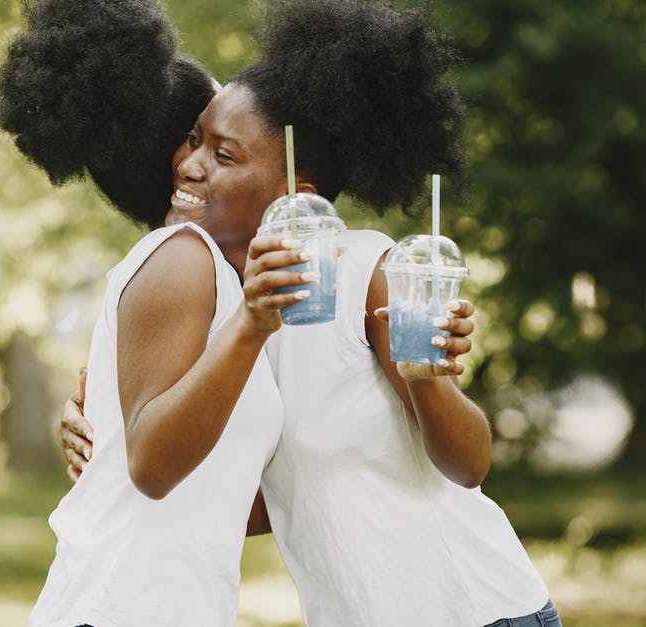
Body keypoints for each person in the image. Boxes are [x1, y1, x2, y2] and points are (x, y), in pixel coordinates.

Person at [49, 0, 562, 626]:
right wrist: (102, 427)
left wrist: (428, 379)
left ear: (296, 195)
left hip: (477, 609)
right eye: (194, 139)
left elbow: (469, 465)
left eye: (226, 154)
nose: (189, 163)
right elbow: (245, 499)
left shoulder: (363, 270)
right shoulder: (228, 304)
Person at [0, 1, 290, 625]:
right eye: (200, 136)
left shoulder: (216, 281)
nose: (203, 156)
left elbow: (233, 498)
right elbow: (155, 466)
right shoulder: (182, 258)